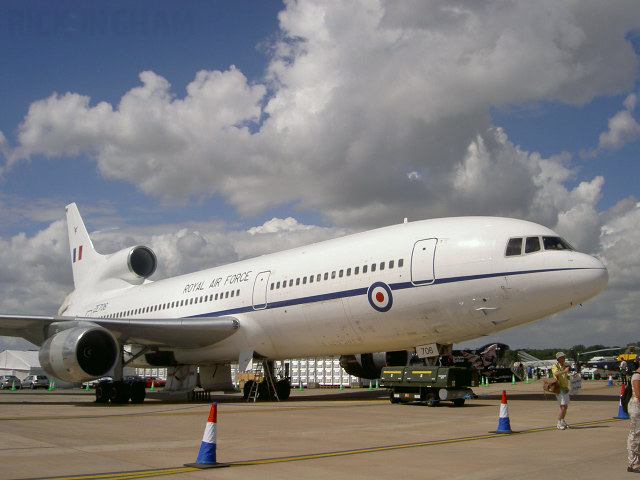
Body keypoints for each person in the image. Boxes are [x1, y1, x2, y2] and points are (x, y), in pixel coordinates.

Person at [551, 351, 571, 430]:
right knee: (563, 407)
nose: (564, 358)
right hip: (559, 388)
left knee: (565, 406)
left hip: (565, 388)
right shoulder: (555, 366)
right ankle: (559, 422)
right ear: (558, 359)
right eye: (562, 357)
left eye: (564, 357)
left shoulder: (564, 366)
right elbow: (556, 374)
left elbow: (565, 376)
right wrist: (565, 371)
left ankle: (562, 420)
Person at [627, 360, 640, 473]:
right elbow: (638, 393)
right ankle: (633, 463)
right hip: (636, 407)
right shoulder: (636, 376)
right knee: (635, 434)